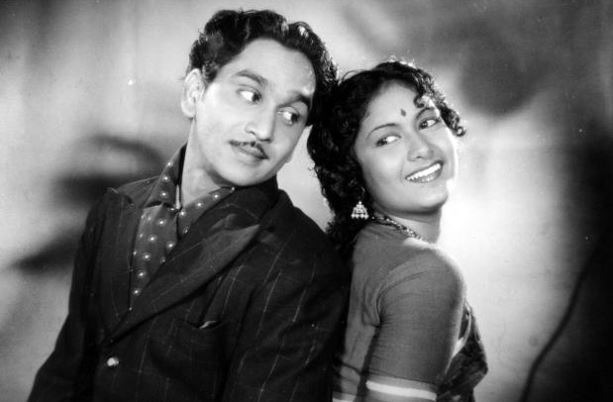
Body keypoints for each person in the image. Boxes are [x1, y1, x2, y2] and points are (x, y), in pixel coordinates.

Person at [29, 9, 347, 402]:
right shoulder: (114, 209)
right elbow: (65, 371)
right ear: (194, 92)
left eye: (291, 115)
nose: (265, 130)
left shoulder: (301, 263)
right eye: (250, 95)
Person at [308, 60, 488, 401]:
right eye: (387, 139)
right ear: (352, 171)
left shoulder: (362, 247)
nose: (422, 149)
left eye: (428, 121)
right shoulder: (424, 272)